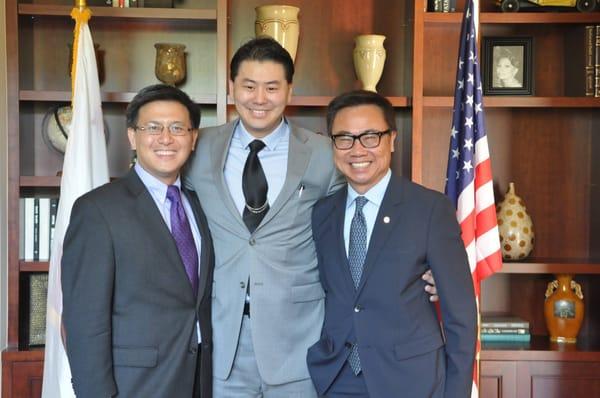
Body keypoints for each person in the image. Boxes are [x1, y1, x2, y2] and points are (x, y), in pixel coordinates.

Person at [185, 37, 438, 397]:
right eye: (249, 86)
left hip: (299, 343)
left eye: (272, 87)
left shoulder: (327, 151)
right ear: (232, 87)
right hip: (222, 342)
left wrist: (425, 266)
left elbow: (369, 214)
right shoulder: (198, 148)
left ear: (289, 89)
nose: (260, 99)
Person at [307, 90, 477, 397]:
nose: (357, 150)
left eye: (370, 136)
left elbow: (461, 316)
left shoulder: (429, 209)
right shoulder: (322, 213)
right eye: (344, 138)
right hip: (338, 378)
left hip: (411, 380)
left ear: (392, 140)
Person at [62, 84, 214, 398]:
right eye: (152, 128)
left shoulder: (199, 205)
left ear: (193, 137)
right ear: (132, 136)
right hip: (134, 386)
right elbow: (84, 321)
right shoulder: (97, 210)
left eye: (177, 128)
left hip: (199, 380)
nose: (166, 139)